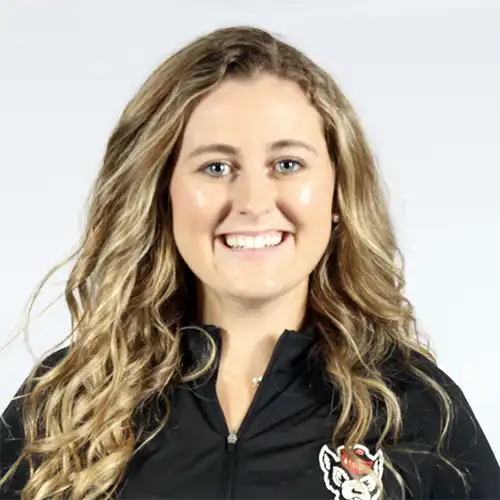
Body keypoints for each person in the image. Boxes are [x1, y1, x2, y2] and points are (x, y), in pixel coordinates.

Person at [0, 25, 498, 500]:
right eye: (216, 167)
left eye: (287, 164)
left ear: (337, 190)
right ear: (162, 193)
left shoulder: (415, 412)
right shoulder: (68, 405)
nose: (254, 201)